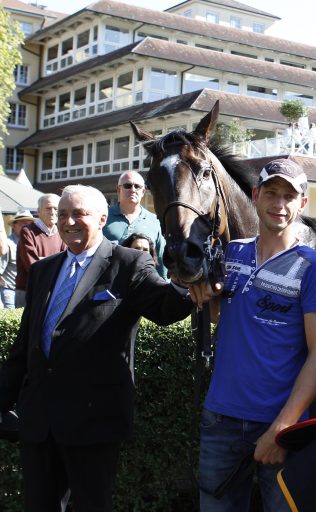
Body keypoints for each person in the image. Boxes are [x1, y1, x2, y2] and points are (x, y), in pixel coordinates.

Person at [0, 185, 191, 511]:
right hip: (39, 422)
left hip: (93, 421)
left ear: (103, 218)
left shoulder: (129, 264)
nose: (68, 221)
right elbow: (24, 348)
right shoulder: (44, 270)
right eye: (62, 215)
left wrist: (188, 273)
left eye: (79, 214)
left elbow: (166, 308)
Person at [188, 159, 316, 512]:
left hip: (280, 424)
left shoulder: (314, 267)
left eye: (289, 196)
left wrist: (281, 429)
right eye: (271, 193)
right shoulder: (231, 252)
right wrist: (200, 295)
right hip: (220, 417)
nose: (279, 204)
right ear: (255, 195)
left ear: (303, 203)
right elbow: (222, 318)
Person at [104, 171, 167, 279]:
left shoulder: (155, 221)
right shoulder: (103, 217)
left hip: (143, 285)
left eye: (137, 186)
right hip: (108, 284)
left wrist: (165, 287)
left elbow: (161, 258)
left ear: (143, 191)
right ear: (118, 189)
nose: (132, 190)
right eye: (127, 186)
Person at [16, 194, 66, 308]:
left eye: (56, 208)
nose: (53, 212)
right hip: (28, 290)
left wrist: (43, 260)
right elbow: (32, 266)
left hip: (53, 290)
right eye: (48, 208)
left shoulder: (61, 233)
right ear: (38, 211)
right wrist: (54, 262)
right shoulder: (28, 232)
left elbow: (65, 262)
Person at [0, 211, 35, 308]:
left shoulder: (32, 242)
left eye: (28, 223)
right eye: (22, 223)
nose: (26, 226)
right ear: (14, 226)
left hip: (28, 290)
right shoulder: (7, 244)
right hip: (10, 291)